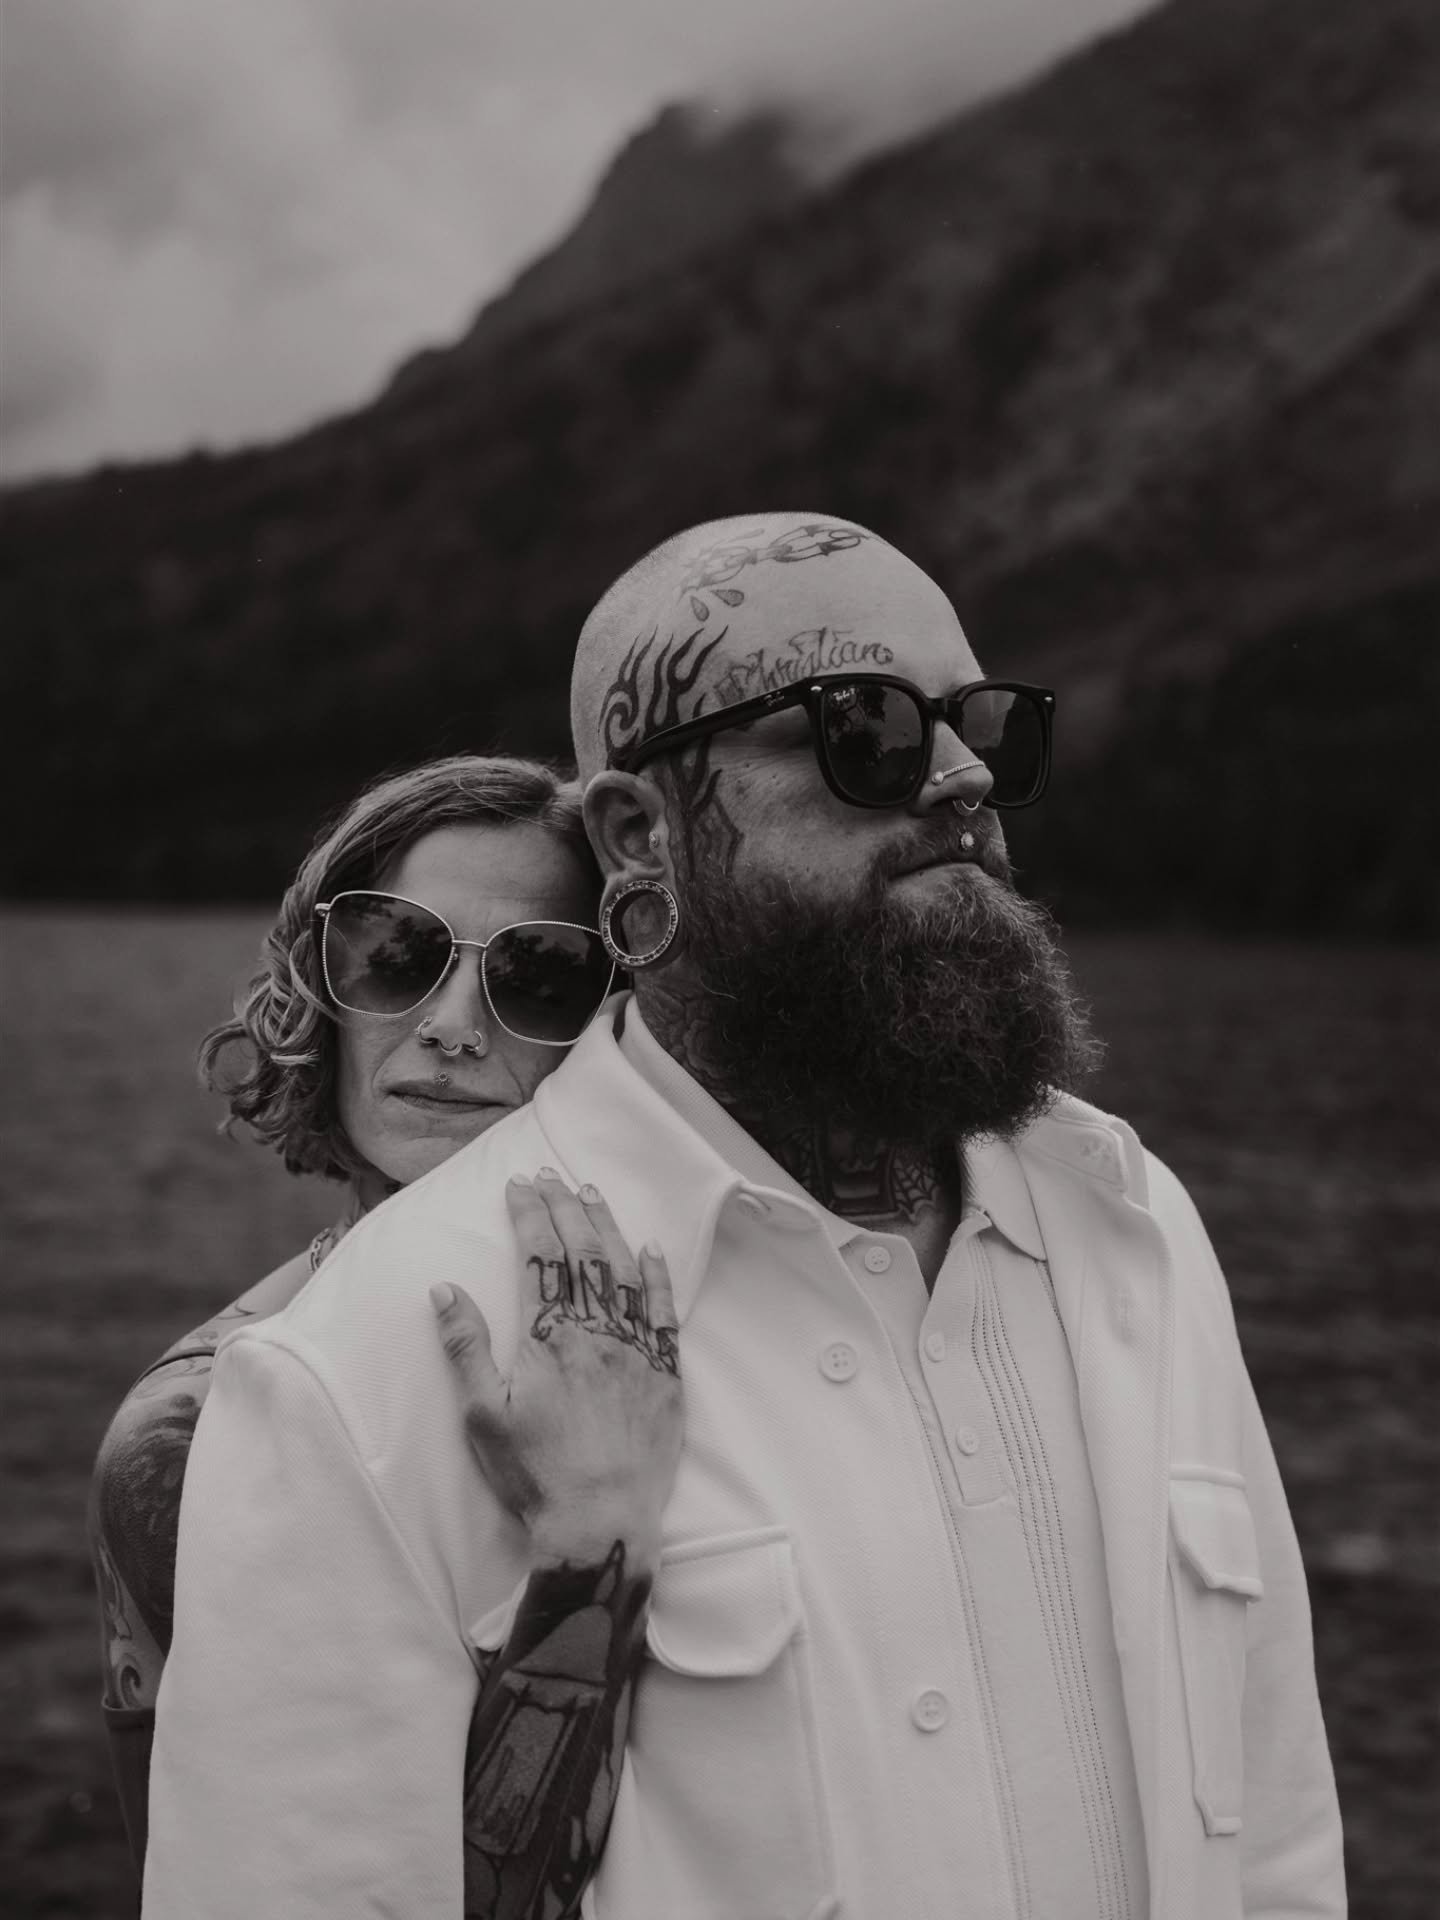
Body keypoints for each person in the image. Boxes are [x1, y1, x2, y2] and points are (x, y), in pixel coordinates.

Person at [144, 515, 1345, 1919]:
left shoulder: (1136, 1227)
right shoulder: (364, 1373)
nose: (960, 778)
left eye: (987, 730)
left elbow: (1274, 1842)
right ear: (638, 834)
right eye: (867, 731)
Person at [88, 753, 682, 1912]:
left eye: (543, 975)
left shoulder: (743, 1310)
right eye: (398, 958)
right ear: (323, 988)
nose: (454, 1028)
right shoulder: (190, 1429)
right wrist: (590, 1559)